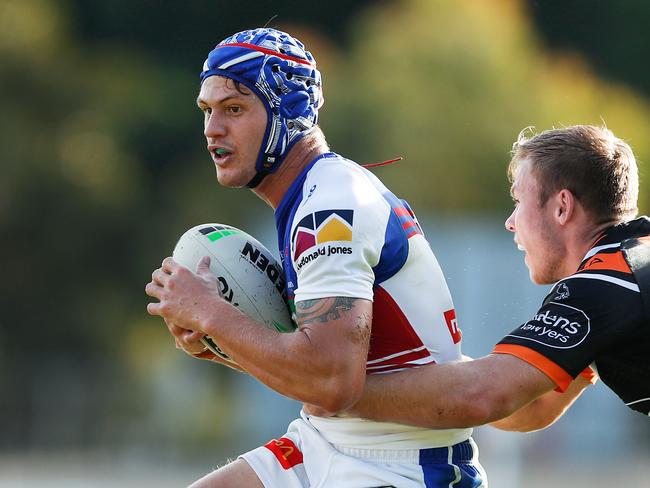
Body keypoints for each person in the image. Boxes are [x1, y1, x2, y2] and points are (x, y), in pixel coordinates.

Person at [145, 28, 487, 487]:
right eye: (207, 111)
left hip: (401, 462)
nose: (212, 129)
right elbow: (320, 375)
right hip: (331, 438)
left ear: (289, 112)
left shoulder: (328, 208)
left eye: (234, 108)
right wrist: (218, 344)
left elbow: (330, 381)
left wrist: (208, 312)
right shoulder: (313, 195)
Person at [324, 125, 650, 432]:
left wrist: (338, 393)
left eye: (519, 200)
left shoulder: (603, 283)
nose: (510, 222)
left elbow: (483, 396)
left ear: (562, 207)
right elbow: (532, 407)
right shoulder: (624, 271)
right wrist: (439, 363)